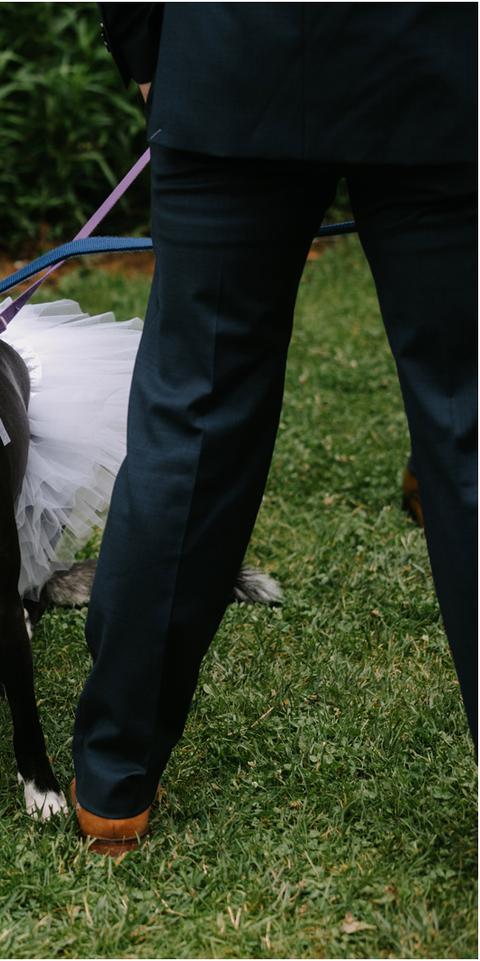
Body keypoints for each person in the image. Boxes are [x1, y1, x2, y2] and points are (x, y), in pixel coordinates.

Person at [74, 3, 477, 856]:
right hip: (440, 65)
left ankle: (114, 782)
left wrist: (150, 46)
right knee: (468, 423)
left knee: (193, 420)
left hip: (233, 57)